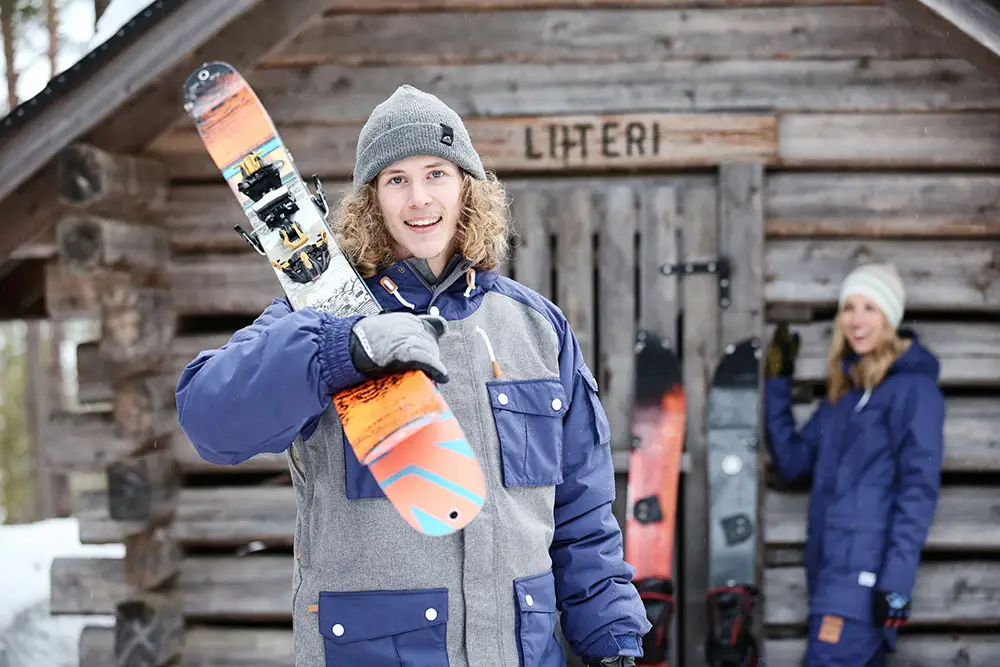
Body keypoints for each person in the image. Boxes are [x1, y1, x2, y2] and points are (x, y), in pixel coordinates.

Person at [175, 84, 650, 667]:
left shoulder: (535, 328)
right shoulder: (322, 317)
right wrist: (338, 352)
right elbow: (209, 417)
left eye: (436, 174)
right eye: (396, 179)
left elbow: (582, 515)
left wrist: (612, 640)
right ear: (372, 200)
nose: (419, 198)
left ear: (467, 186)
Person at [763, 263, 945, 667]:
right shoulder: (845, 400)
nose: (856, 320)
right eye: (848, 307)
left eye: (870, 307)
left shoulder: (914, 392)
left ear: (890, 318)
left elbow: (919, 490)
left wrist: (896, 584)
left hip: (865, 584)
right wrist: (777, 382)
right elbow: (793, 462)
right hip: (830, 579)